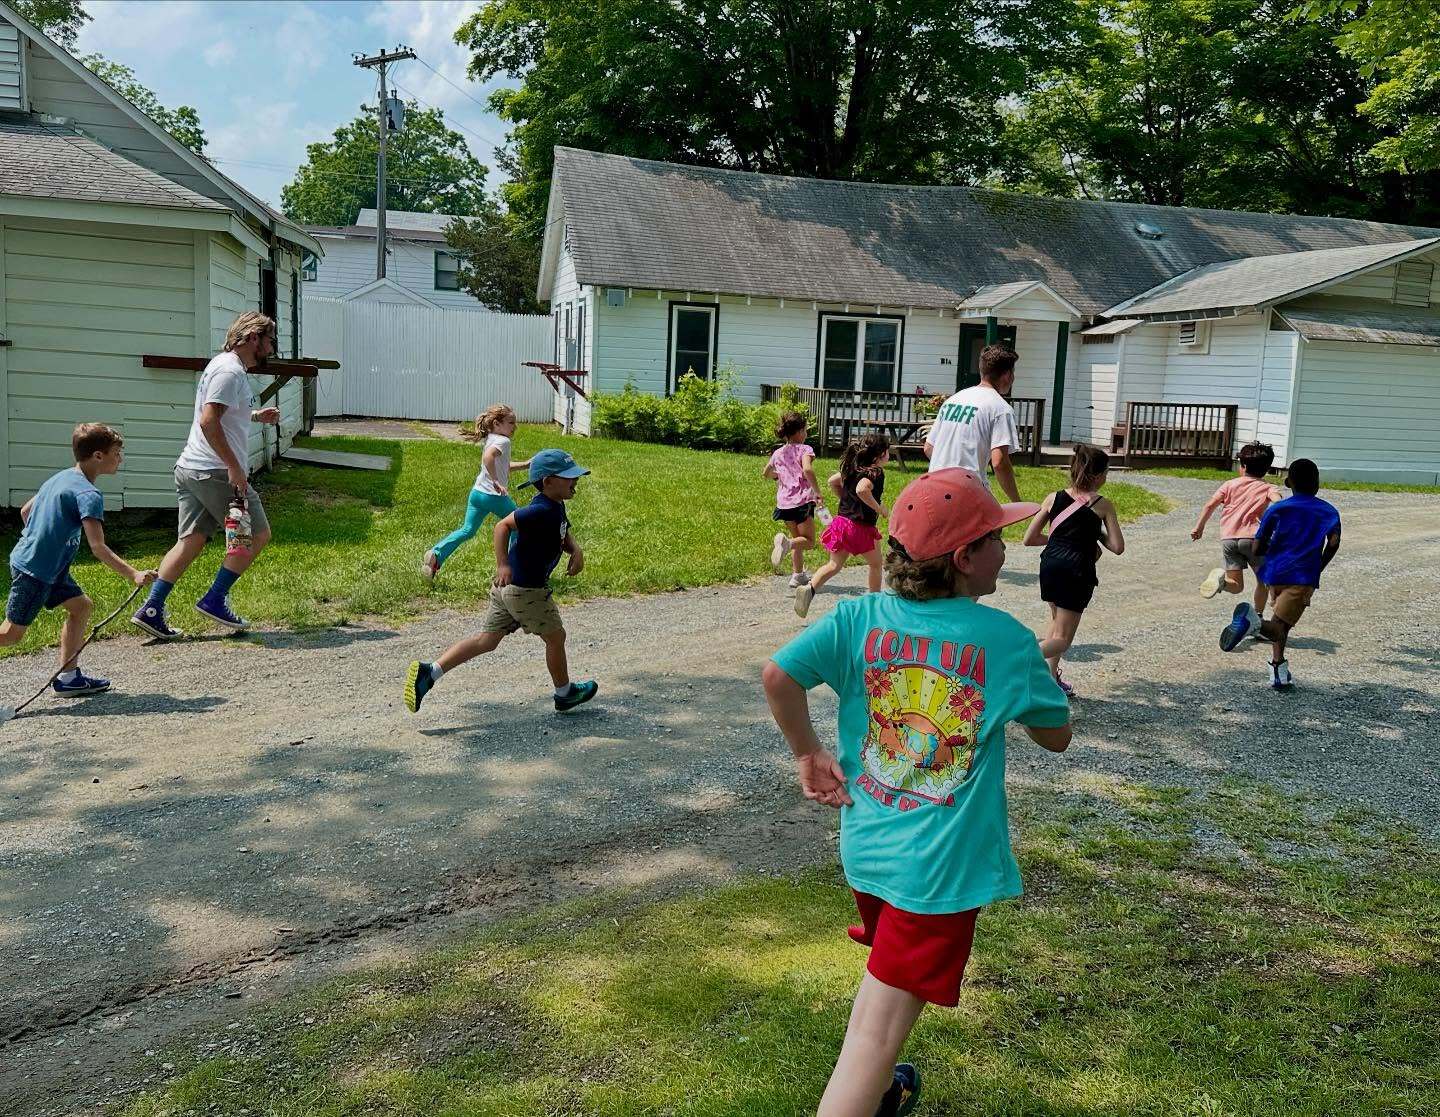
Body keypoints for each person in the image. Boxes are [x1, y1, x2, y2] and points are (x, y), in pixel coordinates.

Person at [763, 468, 1071, 1117]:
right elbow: (1056, 735)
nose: (1004, 548)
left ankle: (882, 1093)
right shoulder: (1006, 640)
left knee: (882, 1003)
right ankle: (869, 1088)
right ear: (964, 558)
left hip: (869, 854)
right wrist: (1030, 663)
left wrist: (808, 754)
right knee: (873, 1035)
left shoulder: (859, 616)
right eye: (994, 537)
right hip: (937, 872)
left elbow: (779, 674)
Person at [405, 449, 599, 714]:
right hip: (526, 591)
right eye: (569, 477)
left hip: (508, 591)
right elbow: (501, 527)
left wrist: (576, 550)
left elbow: (563, 531)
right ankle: (564, 693)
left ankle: (430, 672)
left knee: (487, 640)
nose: (575, 481)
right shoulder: (538, 510)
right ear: (548, 482)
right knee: (556, 637)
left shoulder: (555, 506)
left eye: (575, 476)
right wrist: (503, 564)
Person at [131, 311, 280, 638]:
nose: (271, 348)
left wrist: (255, 415)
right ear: (253, 337)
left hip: (191, 469)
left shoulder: (222, 366)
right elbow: (209, 421)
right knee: (254, 534)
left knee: (191, 541)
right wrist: (234, 466)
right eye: (269, 341)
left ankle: (152, 610)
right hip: (215, 472)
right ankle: (215, 599)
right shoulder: (230, 372)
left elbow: (221, 414)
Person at [3, 424, 156, 694]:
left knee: (81, 607)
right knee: (10, 635)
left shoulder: (61, 477)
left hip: (48, 567)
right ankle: (68, 676)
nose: (120, 458)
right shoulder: (88, 494)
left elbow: (26, 512)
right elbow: (98, 547)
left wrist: (43, 541)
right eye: (117, 453)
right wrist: (133, 573)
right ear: (98, 456)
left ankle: (69, 678)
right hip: (36, 571)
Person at [1219, 458, 1340, 689]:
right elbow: (1334, 542)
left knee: (1280, 622)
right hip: (1302, 577)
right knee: (1277, 627)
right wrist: (1320, 565)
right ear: (1317, 484)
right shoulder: (1328, 511)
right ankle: (1252, 622)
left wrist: (1265, 552)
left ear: (1288, 482)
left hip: (1275, 574)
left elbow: (1258, 545)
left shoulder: (1277, 508)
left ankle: (1278, 670)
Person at [1022, 444, 1125, 697]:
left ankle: (1049, 679)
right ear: (1099, 476)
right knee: (1063, 639)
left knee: (1056, 624)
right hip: (1076, 571)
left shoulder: (1052, 497)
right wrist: (1095, 533)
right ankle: (1014, 659)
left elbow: (1029, 538)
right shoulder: (1102, 505)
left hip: (1050, 565)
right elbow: (1117, 546)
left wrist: (1059, 540)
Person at [422, 404, 532, 580]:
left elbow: (502, 466)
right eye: (511, 422)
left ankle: (436, 555)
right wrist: (496, 481)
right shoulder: (504, 441)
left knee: (467, 530)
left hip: (477, 494)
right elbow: (488, 458)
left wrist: (526, 464)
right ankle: (513, 569)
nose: (515, 427)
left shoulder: (492, 438)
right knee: (518, 524)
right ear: (497, 423)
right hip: (493, 496)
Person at [796, 433, 889, 619]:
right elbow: (862, 489)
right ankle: (874, 603)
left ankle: (809, 589)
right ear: (880, 454)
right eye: (887, 451)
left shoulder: (852, 468)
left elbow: (833, 481)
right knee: (876, 564)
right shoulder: (875, 472)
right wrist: (880, 509)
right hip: (860, 528)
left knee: (834, 564)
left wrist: (846, 499)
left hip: (842, 523)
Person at [1193, 441, 1282, 624]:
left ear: (1243, 466)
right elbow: (1279, 504)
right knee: (1264, 581)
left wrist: (1199, 527)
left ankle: (1222, 582)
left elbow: (1210, 505)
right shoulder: (1267, 487)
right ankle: (1257, 616)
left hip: (1228, 539)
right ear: (1266, 469)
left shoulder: (1229, 485)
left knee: (1236, 586)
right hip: (1253, 540)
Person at [923, 344, 1023, 501]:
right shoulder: (1000, 408)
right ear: (1007, 375)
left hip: (933, 487)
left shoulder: (953, 400)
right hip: (967, 492)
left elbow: (929, 448)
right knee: (994, 524)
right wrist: (1017, 501)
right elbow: (999, 463)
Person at [764, 411, 824, 590]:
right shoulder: (805, 449)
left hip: (784, 502)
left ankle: (797, 576)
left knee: (798, 538)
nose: (806, 434)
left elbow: (766, 473)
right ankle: (786, 543)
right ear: (798, 432)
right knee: (809, 541)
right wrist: (817, 492)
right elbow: (808, 470)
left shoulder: (778, 452)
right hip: (802, 500)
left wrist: (779, 476)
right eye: (805, 430)